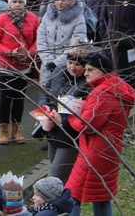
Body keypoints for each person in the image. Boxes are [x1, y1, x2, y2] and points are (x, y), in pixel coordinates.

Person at [66, 52, 135, 216]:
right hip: (109, 150)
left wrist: (70, 115)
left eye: (90, 69)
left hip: (94, 152)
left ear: (103, 71)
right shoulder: (117, 87)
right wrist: (86, 106)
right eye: (85, 69)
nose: (85, 73)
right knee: (101, 196)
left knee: (71, 195)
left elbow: (87, 126)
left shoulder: (102, 94)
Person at [0, 0, 39, 145]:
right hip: (5, 65)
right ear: (9, 4)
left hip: (24, 65)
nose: (17, 5)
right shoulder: (2, 18)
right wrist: (10, 52)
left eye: (20, 2)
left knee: (19, 99)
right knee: (5, 98)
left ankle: (16, 130)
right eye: (14, 2)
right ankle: (3, 130)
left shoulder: (32, 18)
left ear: (24, 3)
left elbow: (38, 39)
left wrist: (29, 53)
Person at [37, 44, 91, 182]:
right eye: (70, 63)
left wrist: (61, 120)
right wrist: (45, 107)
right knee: (58, 178)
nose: (72, 67)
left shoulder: (87, 84)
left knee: (54, 180)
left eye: (78, 64)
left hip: (69, 138)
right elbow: (45, 90)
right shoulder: (58, 72)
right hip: (52, 134)